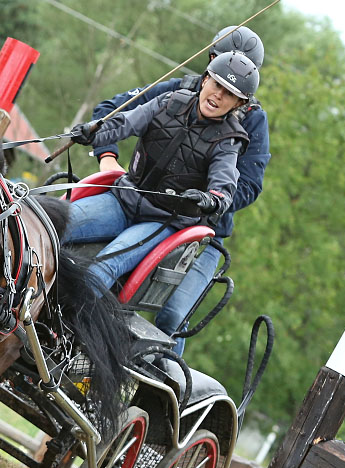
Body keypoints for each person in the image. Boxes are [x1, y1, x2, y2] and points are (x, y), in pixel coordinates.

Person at [89, 26, 270, 355]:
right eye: (219, 61)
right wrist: (107, 158)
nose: (226, 76)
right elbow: (110, 113)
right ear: (210, 61)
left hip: (201, 232)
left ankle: (162, 386)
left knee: (173, 316)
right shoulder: (178, 91)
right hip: (138, 201)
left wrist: (205, 197)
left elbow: (248, 187)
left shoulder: (253, 122)